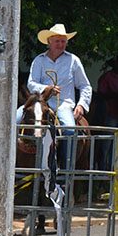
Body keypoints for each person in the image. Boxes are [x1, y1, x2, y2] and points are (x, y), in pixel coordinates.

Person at [26, 24, 93, 165]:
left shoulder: (73, 60)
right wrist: (47, 89)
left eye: (63, 41)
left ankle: (65, 168)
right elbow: (31, 84)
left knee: (69, 130)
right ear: (49, 41)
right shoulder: (39, 60)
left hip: (63, 105)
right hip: (40, 104)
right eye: (57, 41)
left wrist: (81, 105)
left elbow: (85, 86)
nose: (61, 44)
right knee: (16, 119)